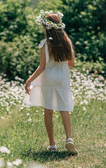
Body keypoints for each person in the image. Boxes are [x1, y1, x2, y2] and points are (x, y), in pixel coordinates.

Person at [23, 10, 78, 155]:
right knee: (63, 109)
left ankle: (52, 144)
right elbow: (71, 64)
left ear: (46, 27)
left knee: (48, 111)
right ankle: (69, 138)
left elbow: (42, 67)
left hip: (48, 78)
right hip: (62, 78)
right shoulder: (67, 42)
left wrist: (29, 80)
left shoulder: (45, 44)